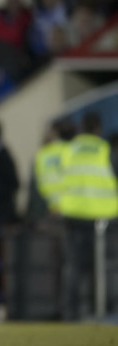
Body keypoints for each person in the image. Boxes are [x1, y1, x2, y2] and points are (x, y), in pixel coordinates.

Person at [58, 112, 118, 320]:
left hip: (74, 215)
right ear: (98, 129)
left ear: (82, 128)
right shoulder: (106, 150)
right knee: (107, 266)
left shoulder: (68, 150)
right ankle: (110, 313)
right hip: (104, 217)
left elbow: (58, 180)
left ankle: (71, 315)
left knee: (73, 268)